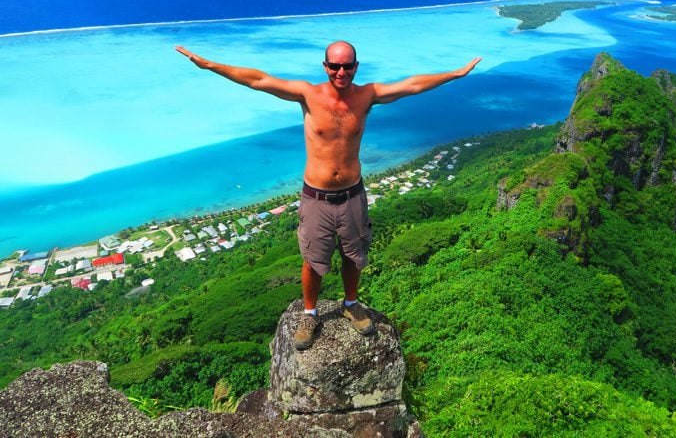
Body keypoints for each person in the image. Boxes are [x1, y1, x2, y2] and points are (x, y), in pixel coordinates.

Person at [176, 41, 480, 350]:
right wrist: (211, 65)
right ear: (325, 67)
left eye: (347, 66)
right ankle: (310, 313)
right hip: (316, 197)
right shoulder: (308, 94)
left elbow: (413, 85)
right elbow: (258, 80)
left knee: (354, 255)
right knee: (313, 260)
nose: (341, 71)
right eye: (334, 66)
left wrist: (455, 74)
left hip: (352, 194)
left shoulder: (367, 95)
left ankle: (351, 303)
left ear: (356, 67)